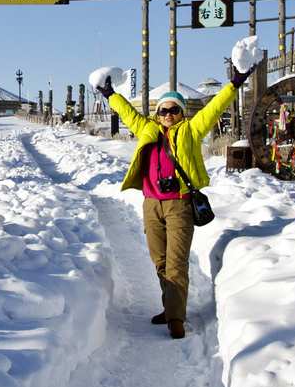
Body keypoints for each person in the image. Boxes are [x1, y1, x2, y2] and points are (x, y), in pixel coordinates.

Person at [96, 63, 254, 339]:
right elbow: (127, 113)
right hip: (151, 205)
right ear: (157, 114)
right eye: (164, 110)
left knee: (176, 262)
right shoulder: (147, 128)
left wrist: (235, 84)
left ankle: (176, 318)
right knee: (159, 260)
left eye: (174, 110)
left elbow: (214, 108)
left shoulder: (191, 131)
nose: (169, 115)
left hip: (179, 204)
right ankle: (171, 306)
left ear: (182, 112)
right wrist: (110, 94)